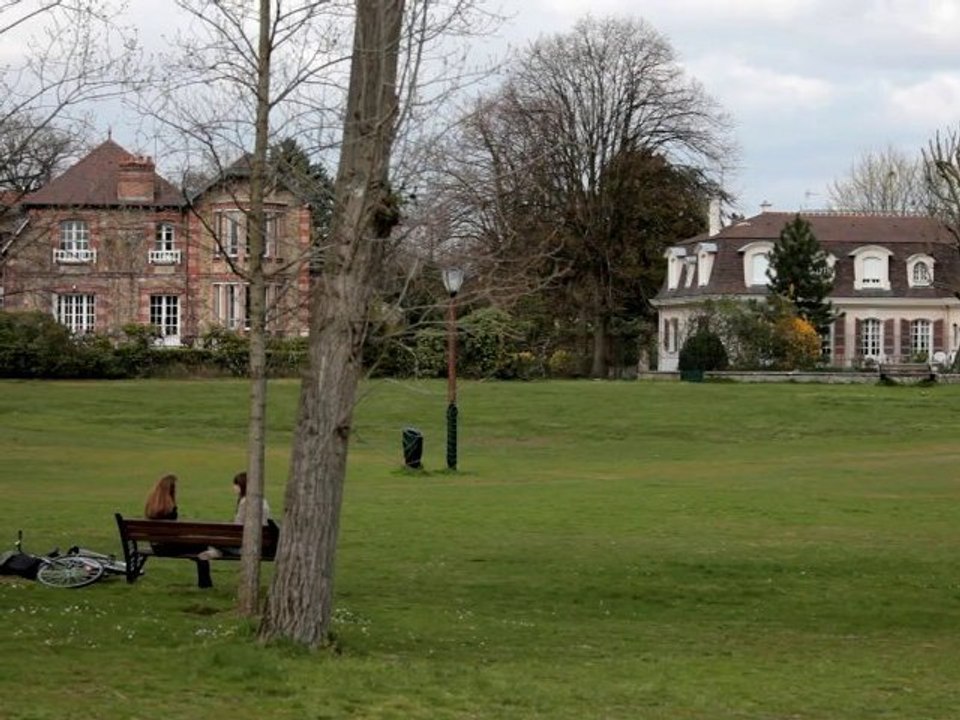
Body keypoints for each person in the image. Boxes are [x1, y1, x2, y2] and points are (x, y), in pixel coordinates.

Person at [197, 471, 271, 562]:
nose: (234, 487)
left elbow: (238, 525)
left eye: (236, 484)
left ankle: (217, 552)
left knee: (212, 539)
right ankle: (217, 552)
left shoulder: (245, 502)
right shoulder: (263, 500)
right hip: (261, 542)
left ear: (242, 485)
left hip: (244, 544)